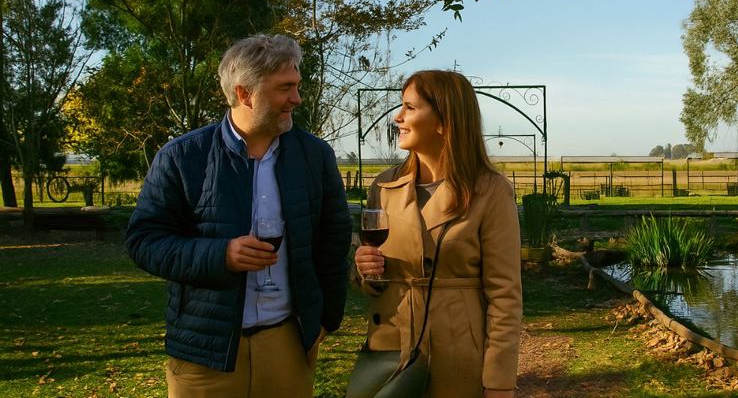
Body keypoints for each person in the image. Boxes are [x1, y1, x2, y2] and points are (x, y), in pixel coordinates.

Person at [126, 34, 352, 397]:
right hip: (205, 351)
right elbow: (144, 241)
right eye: (285, 88)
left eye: (297, 86)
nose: (297, 98)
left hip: (288, 344)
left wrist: (326, 319)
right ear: (245, 93)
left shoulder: (315, 156)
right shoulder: (182, 156)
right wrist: (222, 255)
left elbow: (333, 240)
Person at [353, 70, 522, 398]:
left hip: (457, 360)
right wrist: (364, 269)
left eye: (410, 108)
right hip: (391, 355)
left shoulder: (490, 191)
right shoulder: (384, 187)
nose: (398, 118)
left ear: (445, 121)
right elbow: (369, 279)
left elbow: (505, 295)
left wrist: (500, 381)